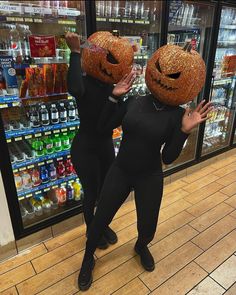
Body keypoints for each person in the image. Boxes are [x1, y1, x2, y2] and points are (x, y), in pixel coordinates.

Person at [77, 79, 213, 290]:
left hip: (149, 175)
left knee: (148, 227)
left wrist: (184, 131)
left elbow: (168, 157)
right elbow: (103, 126)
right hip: (120, 170)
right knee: (101, 217)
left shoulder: (178, 115)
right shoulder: (134, 101)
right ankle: (88, 257)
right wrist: (113, 97)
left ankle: (141, 246)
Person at [66, 32, 135, 249]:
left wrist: (117, 97)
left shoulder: (112, 86)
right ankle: (92, 230)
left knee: (106, 192)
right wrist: (75, 53)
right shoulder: (84, 82)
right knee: (92, 193)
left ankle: (101, 224)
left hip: (105, 146)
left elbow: (108, 124)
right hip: (84, 148)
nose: (111, 66)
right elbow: (75, 89)